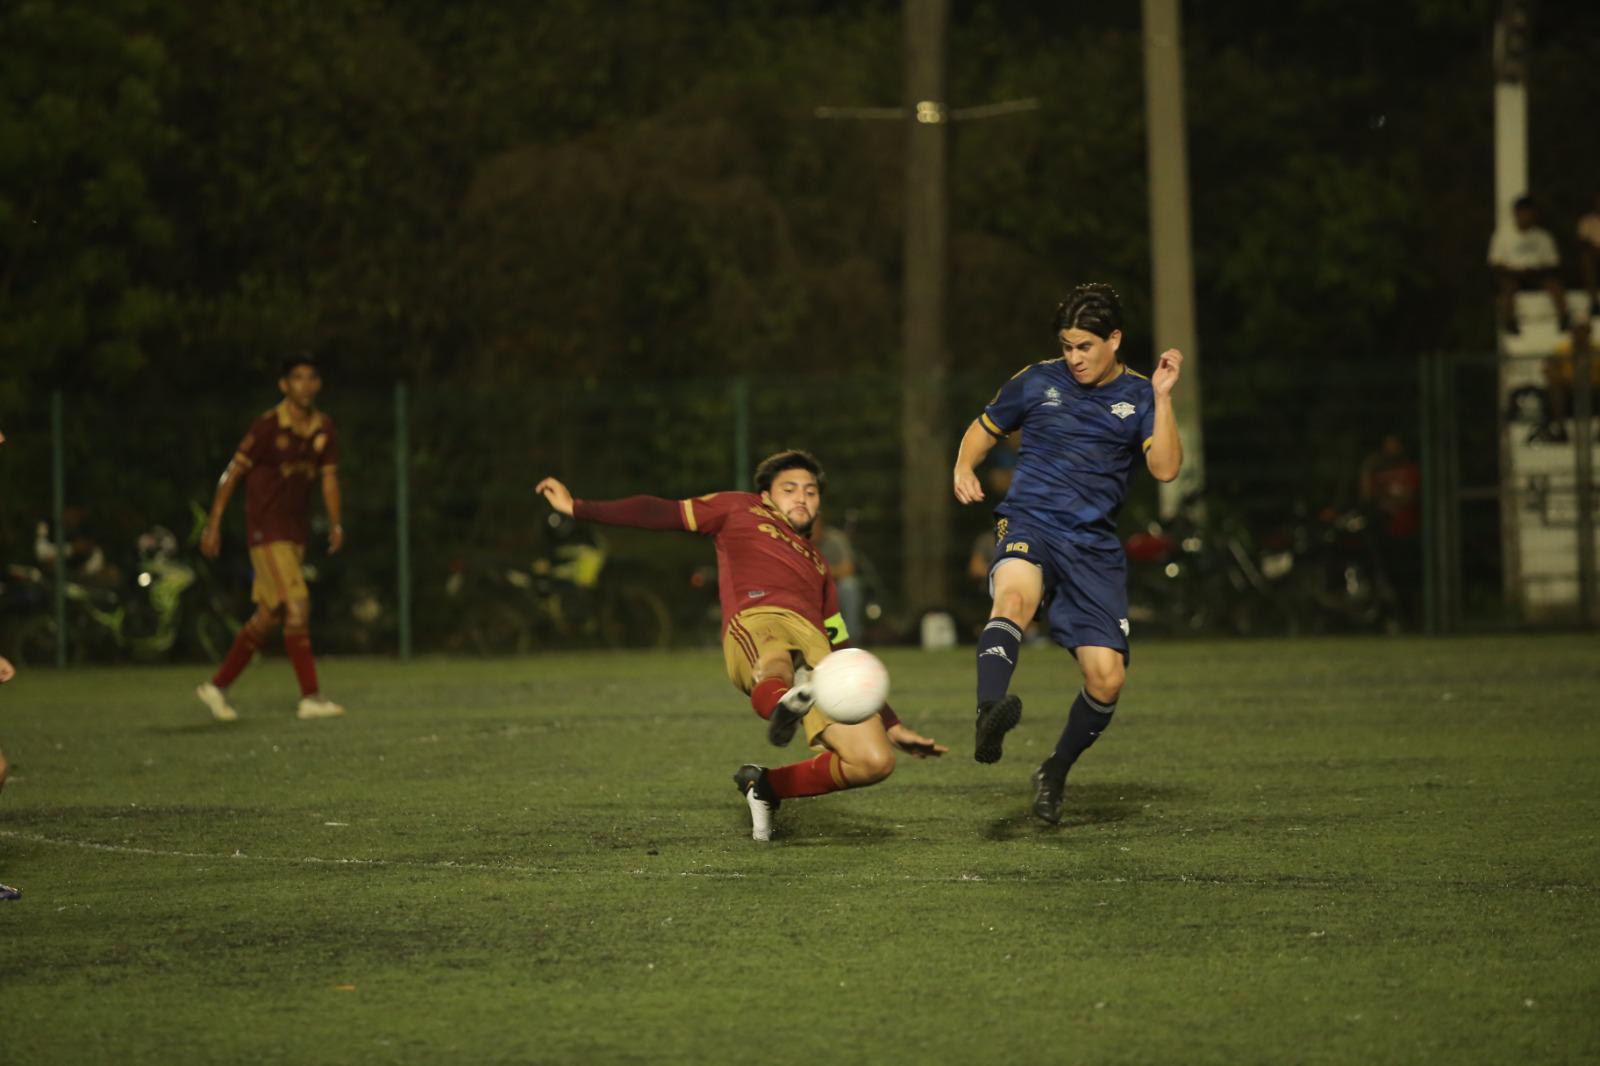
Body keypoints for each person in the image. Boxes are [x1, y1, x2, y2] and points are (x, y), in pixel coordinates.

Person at [535, 449, 946, 841]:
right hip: (758, 615)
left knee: (874, 762)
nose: (802, 496)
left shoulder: (819, 564)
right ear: (767, 495)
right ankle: (783, 700)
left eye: (810, 490)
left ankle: (764, 786)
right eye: (790, 488)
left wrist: (891, 724)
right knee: (775, 659)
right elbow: (662, 511)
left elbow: (843, 646)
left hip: (816, 645)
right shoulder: (739, 508)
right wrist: (580, 507)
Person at [952, 283, 1183, 825]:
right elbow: (982, 432)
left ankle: (1054, 770)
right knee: (1013, 599)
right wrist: (963, 466)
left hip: (1092, 546)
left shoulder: (1142, 396)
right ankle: (989, 714)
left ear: (1115, 340)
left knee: (1107, 679)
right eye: (1067, 346)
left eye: (1085, 346)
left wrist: (1166, 396)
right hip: (1030, 520)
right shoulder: (1036, 380)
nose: (1074, 358)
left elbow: (1165, 469)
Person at [195, 356, 346, 722]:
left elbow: (328, 479)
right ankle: (310, 696)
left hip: (294, 534)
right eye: (297, 378)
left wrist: (336, 523)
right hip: (266, 530)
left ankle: (217, 687)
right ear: (284, 385)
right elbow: (232, 474)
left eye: (311, 377)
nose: (304, 385)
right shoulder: (266, 427)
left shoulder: (323, 428)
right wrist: (213, 524)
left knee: (269, 615)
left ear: (318, 384)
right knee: (298, 606)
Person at [1488, 195, 1570, 335]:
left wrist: (1535, 270)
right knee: (1507, 287)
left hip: (1537, 275)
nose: (1526, 216)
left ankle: (1564, 318)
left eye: (1529, 213)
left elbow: (1552, 263)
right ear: (1516, 213)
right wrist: (1513, 271)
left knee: (1554, 285)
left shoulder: (1543, 236)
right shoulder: (1503, 235)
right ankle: (1509, 322)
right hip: (1512, 275)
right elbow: (1494, 262)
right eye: (1523, 212)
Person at [809, 513, 864, 647]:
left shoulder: (835, 539)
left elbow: (848, 569)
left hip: (833, 587)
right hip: (808, 590)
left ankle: (848, 642)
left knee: (848, 586)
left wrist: (821, 572)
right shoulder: (795, 540)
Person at [1577, 189, 1600, 317]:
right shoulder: (1587, 221)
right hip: (1593, 256)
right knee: (1586, 259)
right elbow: (1582, 242)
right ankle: (1594, 303)